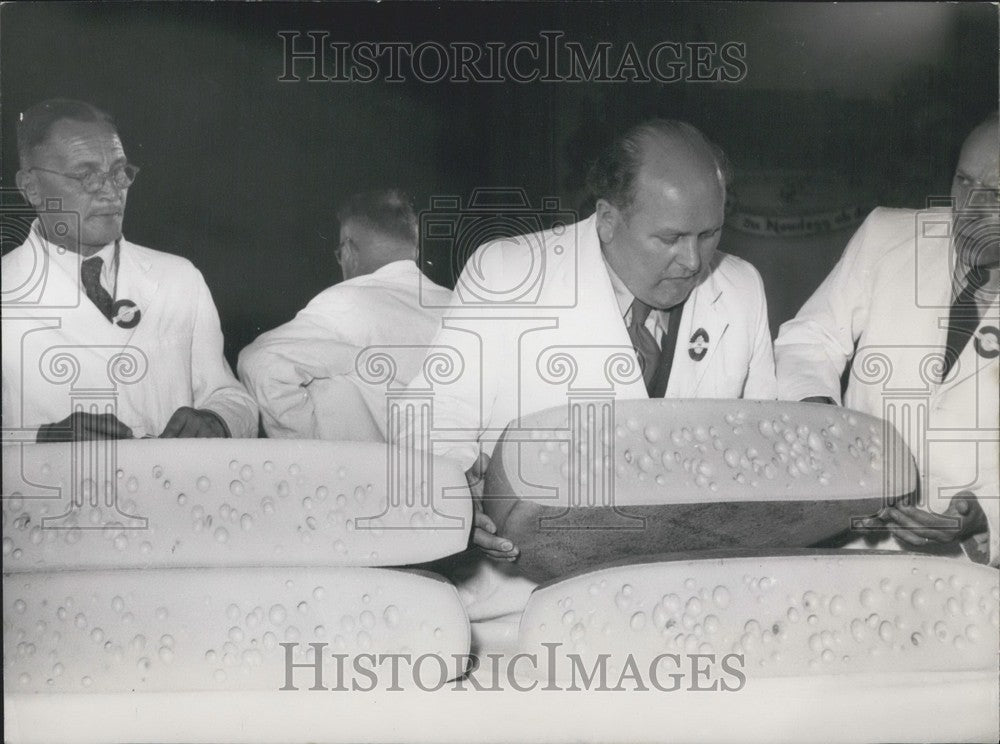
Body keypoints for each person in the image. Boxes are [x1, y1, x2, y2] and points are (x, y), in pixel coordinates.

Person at [412, 119, 776, 620]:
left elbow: (765, 450)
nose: (692, 261)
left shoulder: (740, 288)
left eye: (709, 234)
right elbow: (434, 422)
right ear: (607, 219)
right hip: (521, 605)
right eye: (669, 237)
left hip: (688, 598)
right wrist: (449, 497)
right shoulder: (508, 274)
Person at [774, 114, 999, 566]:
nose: (970, 208)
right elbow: (807, 339)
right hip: (848, 548)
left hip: (967, 576)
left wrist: (986, 518)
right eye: (963, 181)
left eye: (995, 193)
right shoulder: (888, 235)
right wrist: (825, 425)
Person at [2, 99, 257, 442]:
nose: (111, 191)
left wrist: (216, 419)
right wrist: (41, 439)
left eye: (119, 172)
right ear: (30, 187)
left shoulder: (180, 279)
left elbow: (230, 396)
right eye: (86, 176)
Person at [237, 189, 453, 440]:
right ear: (415, 250)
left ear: (349, 251)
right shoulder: (458, 306)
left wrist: (312, 448)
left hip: (363, 476)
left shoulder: (346, 301)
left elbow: (259, 363)